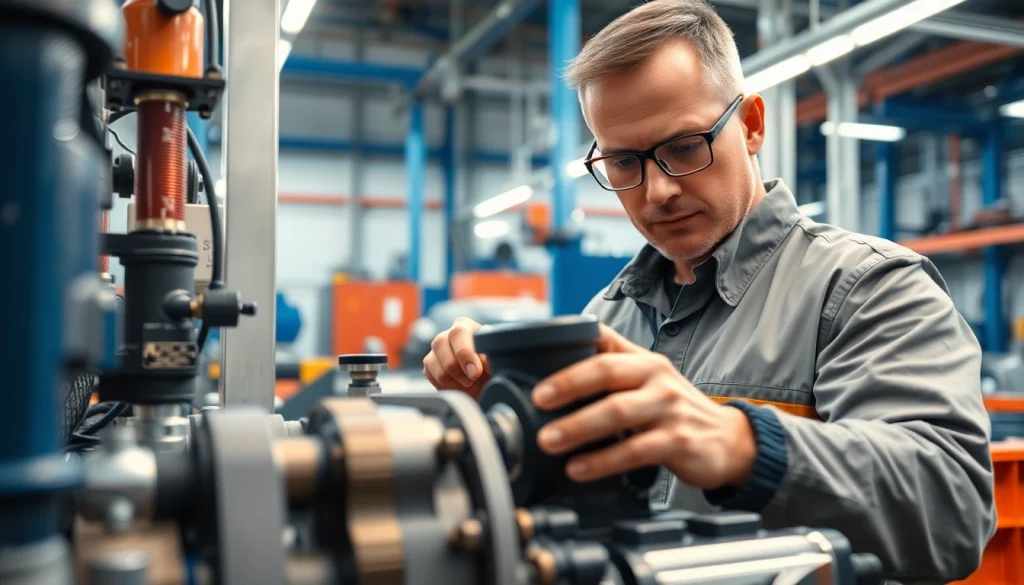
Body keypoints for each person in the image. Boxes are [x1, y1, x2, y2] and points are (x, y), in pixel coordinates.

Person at [422, 1, 995, 582]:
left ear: (750, 125)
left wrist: (744, 445)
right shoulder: (609, 317)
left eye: (685, 146)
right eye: (623, 161)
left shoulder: (866, 288)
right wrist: (499, 421)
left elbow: (951, 509)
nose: (658, 191)